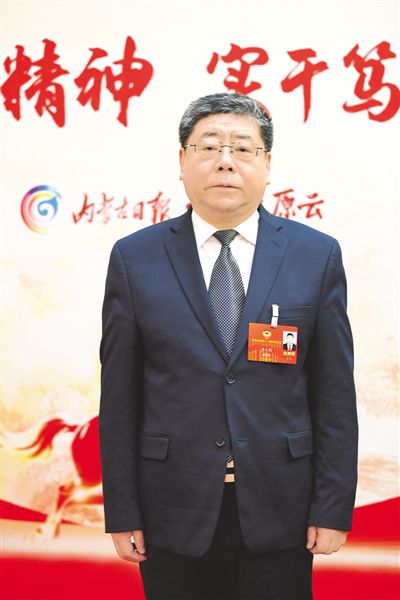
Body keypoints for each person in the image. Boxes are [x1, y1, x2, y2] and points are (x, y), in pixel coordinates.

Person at [99, 92, 358, 600]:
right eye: (209, 146)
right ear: (182, 161)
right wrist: (123, 510)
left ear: (267, 165)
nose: (225, 161)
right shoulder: (135, 258)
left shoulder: (315, 255)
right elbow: (120, 397)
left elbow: (333, 394)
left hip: (281, 508)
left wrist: (331, 507)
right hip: (171, 509)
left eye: (242, 147)